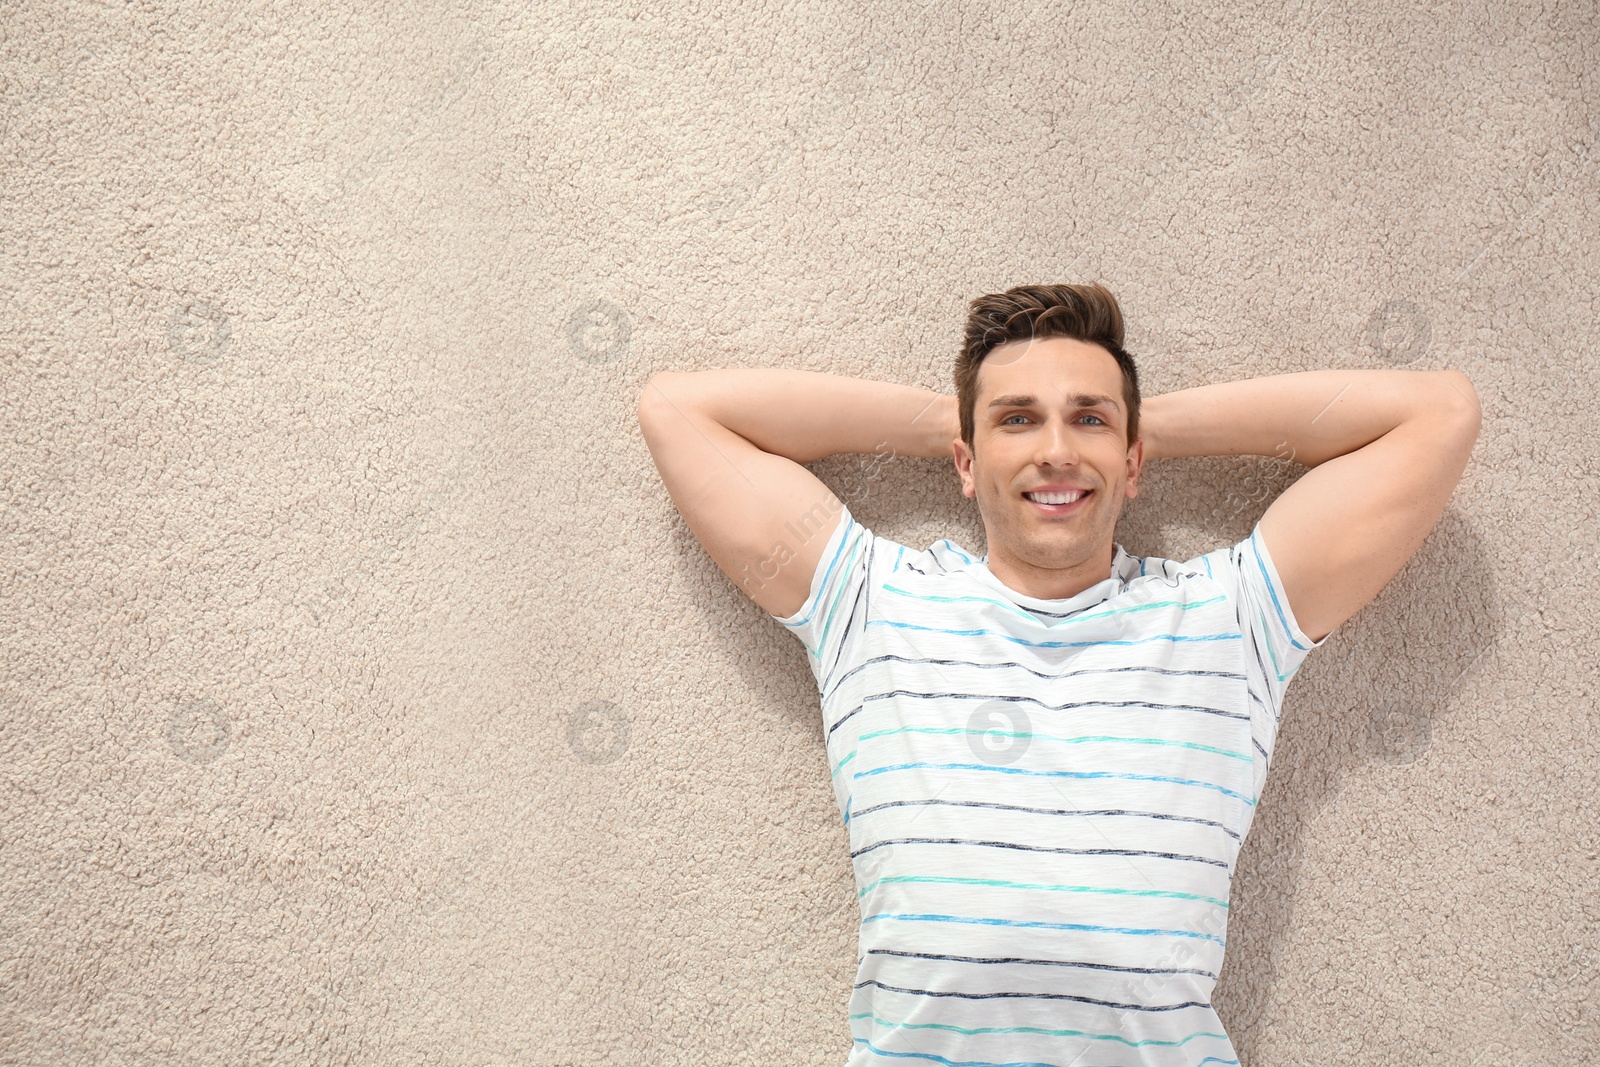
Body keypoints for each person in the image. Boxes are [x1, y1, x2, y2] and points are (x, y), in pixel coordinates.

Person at [636, 283, 1481, 1067]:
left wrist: (1138, 428)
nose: (1054, 451)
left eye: (1088, 420)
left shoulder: (1229, 617)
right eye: (1017, 422)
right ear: (963, 462)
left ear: (1136, 461)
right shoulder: (872, 602)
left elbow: (1438, 414)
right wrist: (965, 422)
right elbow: (678, 410)